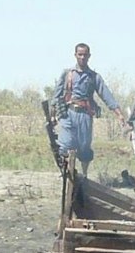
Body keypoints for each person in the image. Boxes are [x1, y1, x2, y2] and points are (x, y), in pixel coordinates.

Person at [49, 42, 126, 177]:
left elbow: (106, 96)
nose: (82, 57)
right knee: (65, 145)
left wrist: (118, 114)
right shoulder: (67, 74)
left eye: (85, 55)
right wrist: (53, 116)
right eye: (80, 54)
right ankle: (66, 174)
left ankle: (84, 176)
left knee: (84, 147)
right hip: (68, 114)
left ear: (89, 56)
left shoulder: (94, 77)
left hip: (85, 115)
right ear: (75, 55)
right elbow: (56, 96)